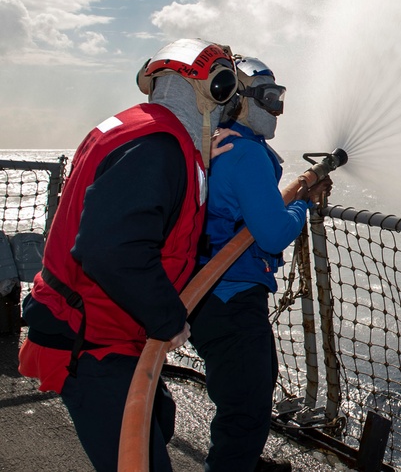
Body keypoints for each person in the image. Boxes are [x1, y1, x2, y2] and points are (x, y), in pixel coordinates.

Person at [17, 38, 239, 471]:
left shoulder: (148, 133)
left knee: (159, 417)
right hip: (92, 344)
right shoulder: (159, 150)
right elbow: (109, 249)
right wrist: (168, 318)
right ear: (215, 89)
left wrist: (194, 153)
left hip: (102, 332)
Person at [188, 56, 331, 472]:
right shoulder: (246, 155)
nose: (276, 110)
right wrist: (303, 201)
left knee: (253, 384)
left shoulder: (216, 142)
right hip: (230, 297)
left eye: (279, 98)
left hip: (208, 294)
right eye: (269, 98)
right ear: (239, 99)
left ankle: (244, 462)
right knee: (245, 407)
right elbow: (270, 233)